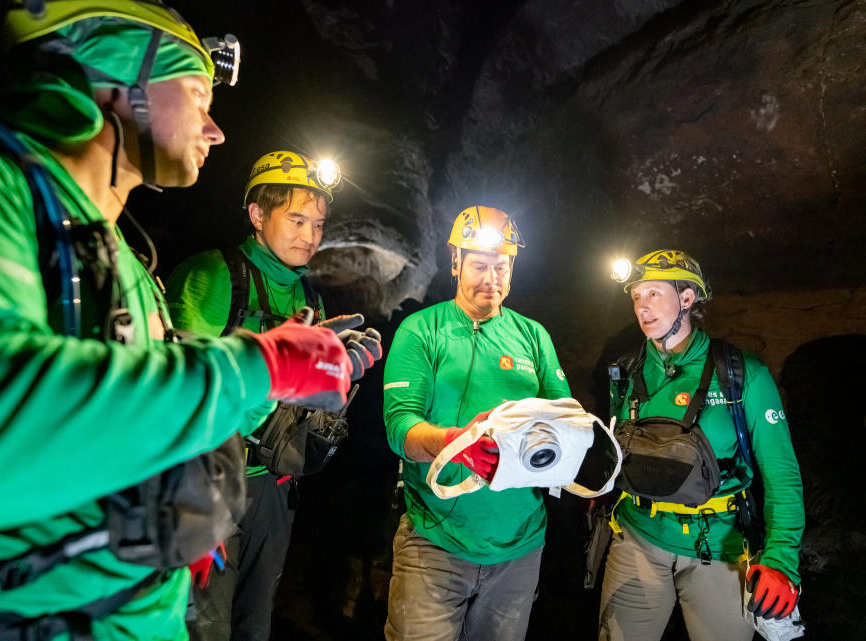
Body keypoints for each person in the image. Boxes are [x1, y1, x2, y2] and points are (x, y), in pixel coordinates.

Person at [0, 4, 355, 641]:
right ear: (121, 79)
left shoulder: (126, 261)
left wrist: (174, 510)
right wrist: (264, 364)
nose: (215, 129)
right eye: (198, 94)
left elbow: (132, 419)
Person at [166, 150, 382, 641]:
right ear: (257, 215)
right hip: (205, 478)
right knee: (203, 627)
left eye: (320, 224)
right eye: (298, 219)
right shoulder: (213, 276)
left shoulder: (311, 299)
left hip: (274, 487)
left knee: (254, 624)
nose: (310, 236)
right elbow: (180, 388)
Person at [382, 205, 571, 641]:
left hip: (519, 547)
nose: (492, 278)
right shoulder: (421, 330)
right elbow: (399, 425)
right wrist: (456, 441)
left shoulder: (533, 336)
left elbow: (565, 417)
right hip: (436, 540)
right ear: (455, 262)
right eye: (480, 265)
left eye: (502, 267)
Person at [599, 250, 805, 641]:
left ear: (688, 298)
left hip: (719, 548)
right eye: (636, 296)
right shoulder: (624, 372)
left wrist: (781, 560)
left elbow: (783, 475)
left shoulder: (743, 375)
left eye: (654, 294)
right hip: (637, 538)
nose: (642, 307)